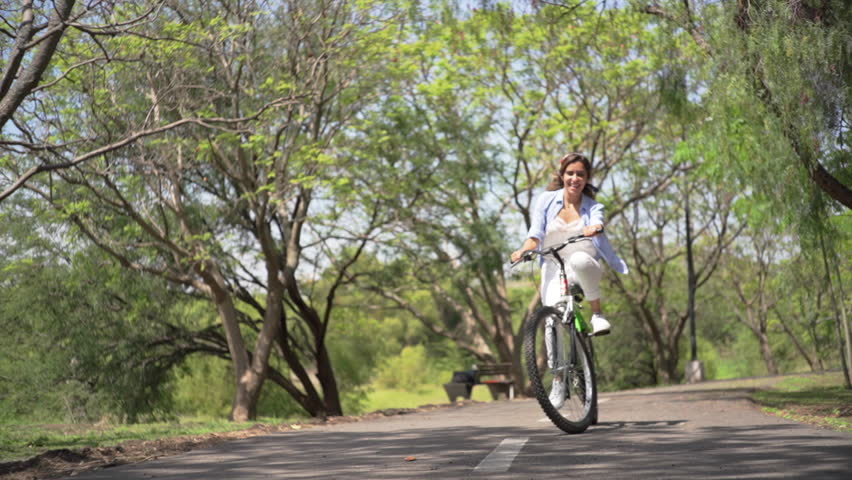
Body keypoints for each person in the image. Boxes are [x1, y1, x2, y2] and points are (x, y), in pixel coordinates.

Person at [510, 152, 628, 336]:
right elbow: (535, 236)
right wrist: (522, 250)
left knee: (579, 259)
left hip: (585, 265)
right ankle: (556, 364)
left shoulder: (594, 207)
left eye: (580, 174)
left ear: (587, 178)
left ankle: (597, 315)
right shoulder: (546, 200)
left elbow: (598, 222)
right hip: (554, 265)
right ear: (562, 175)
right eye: (570, 173)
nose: (575, 178)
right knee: (550, 320)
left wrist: (596, 227)